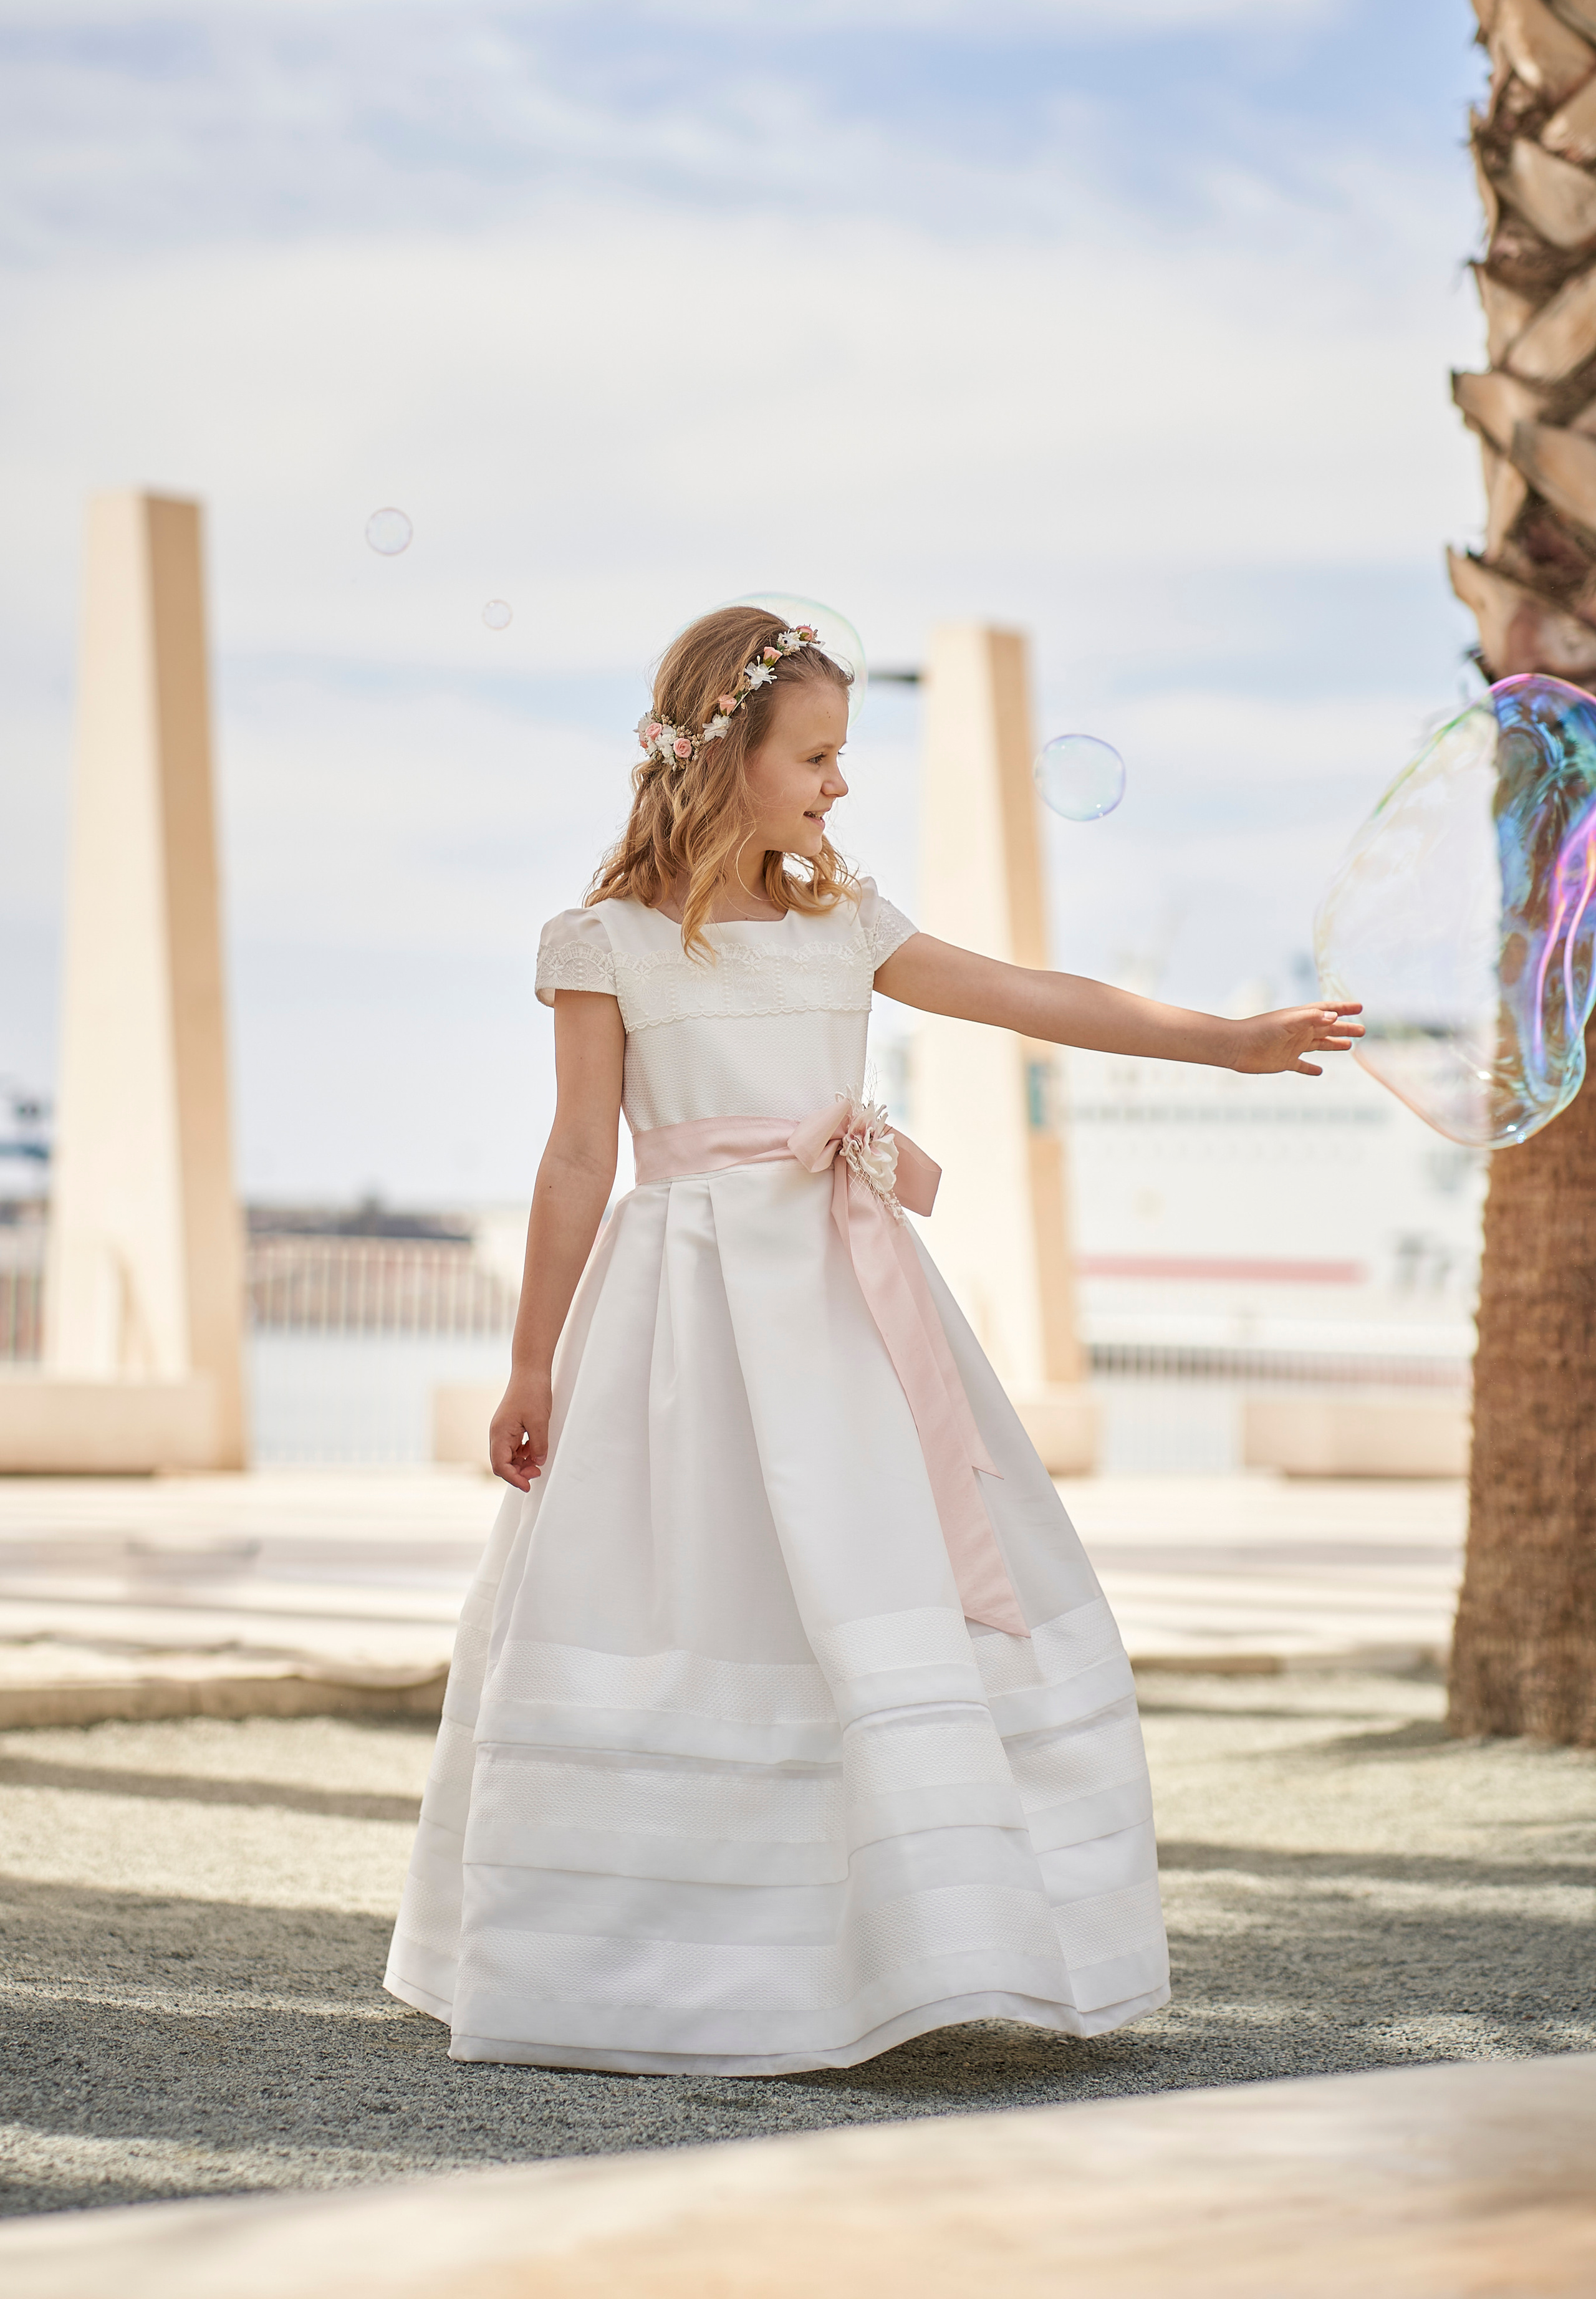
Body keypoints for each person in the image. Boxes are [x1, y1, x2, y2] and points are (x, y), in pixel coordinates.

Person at [384, 605, 1361, 2075]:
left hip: (845, 1306)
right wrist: (530, 1364)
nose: (839, 787)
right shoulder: (600, 944)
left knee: (871, 1589)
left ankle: (911, 1943)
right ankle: (655, 1965)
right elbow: (579, 1156)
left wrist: (1228, 1042)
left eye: (844, 757)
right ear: (721, 759)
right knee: (694, 1595)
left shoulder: (850, 923)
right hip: (681, 1323)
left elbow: (1035, 997)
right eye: (819, 756)